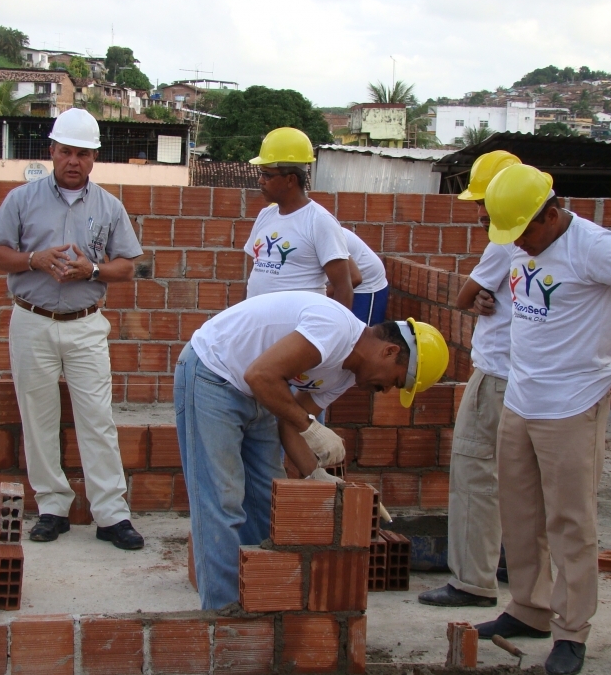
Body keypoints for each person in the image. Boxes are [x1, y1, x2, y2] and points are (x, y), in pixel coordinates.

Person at [475, 164, 611, 675]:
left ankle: (572, 631)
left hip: (572, 404)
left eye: (524, 232)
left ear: (551, 214)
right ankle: (529, 608)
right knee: (520, 512)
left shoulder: (596, 246)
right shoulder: (521, 241)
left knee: (571, 520)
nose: (517, 244)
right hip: (522, 399)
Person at [175, 290, 450, 609]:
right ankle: (223, 611)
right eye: (396, 382)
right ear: (389, 352)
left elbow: (288, 421)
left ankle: (256, 597)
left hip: (260, 393)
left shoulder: (348, 374)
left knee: (265, 498)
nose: (387, 390)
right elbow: (261, 376)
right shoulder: (333, 329)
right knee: (223, 499)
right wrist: (312, 427)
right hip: (214, 374)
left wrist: (315, 475)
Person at [0, 108, 144, 550]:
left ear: (94, 158)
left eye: (83, 153)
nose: (73, 160)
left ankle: (111, 514)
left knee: (97, 419)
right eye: (65, 151)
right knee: (38, 419)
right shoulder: (22, 199)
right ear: (51, 151)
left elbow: (127, 267)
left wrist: (91, 269)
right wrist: (34, 260)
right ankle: (52, 508)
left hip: (85, 325)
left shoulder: (109, 207)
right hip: (32, 319)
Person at [418, 150, 520, 609]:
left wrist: (477, 295)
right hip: (539, 383)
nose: (480, 213)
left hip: (500, 375)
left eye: (484, 201)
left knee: (477, 477)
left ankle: (472, 583)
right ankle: (522, 574)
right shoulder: (562, 236)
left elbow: (462, 295)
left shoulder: (507, 241)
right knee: (526, 485)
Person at [245, 127, 353, 307]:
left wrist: (336, 333)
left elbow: (344, 288)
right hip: (261, 329)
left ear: (291, 180)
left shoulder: (319, 221)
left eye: (267, 175)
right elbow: (254, 278)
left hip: (298, 329)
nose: (260, 181)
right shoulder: (265, 216)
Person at [341, 227, 390, 326]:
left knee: (361, 335)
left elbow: (355, 278)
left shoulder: (326, 234)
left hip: (366, 285)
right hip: (339, 282)